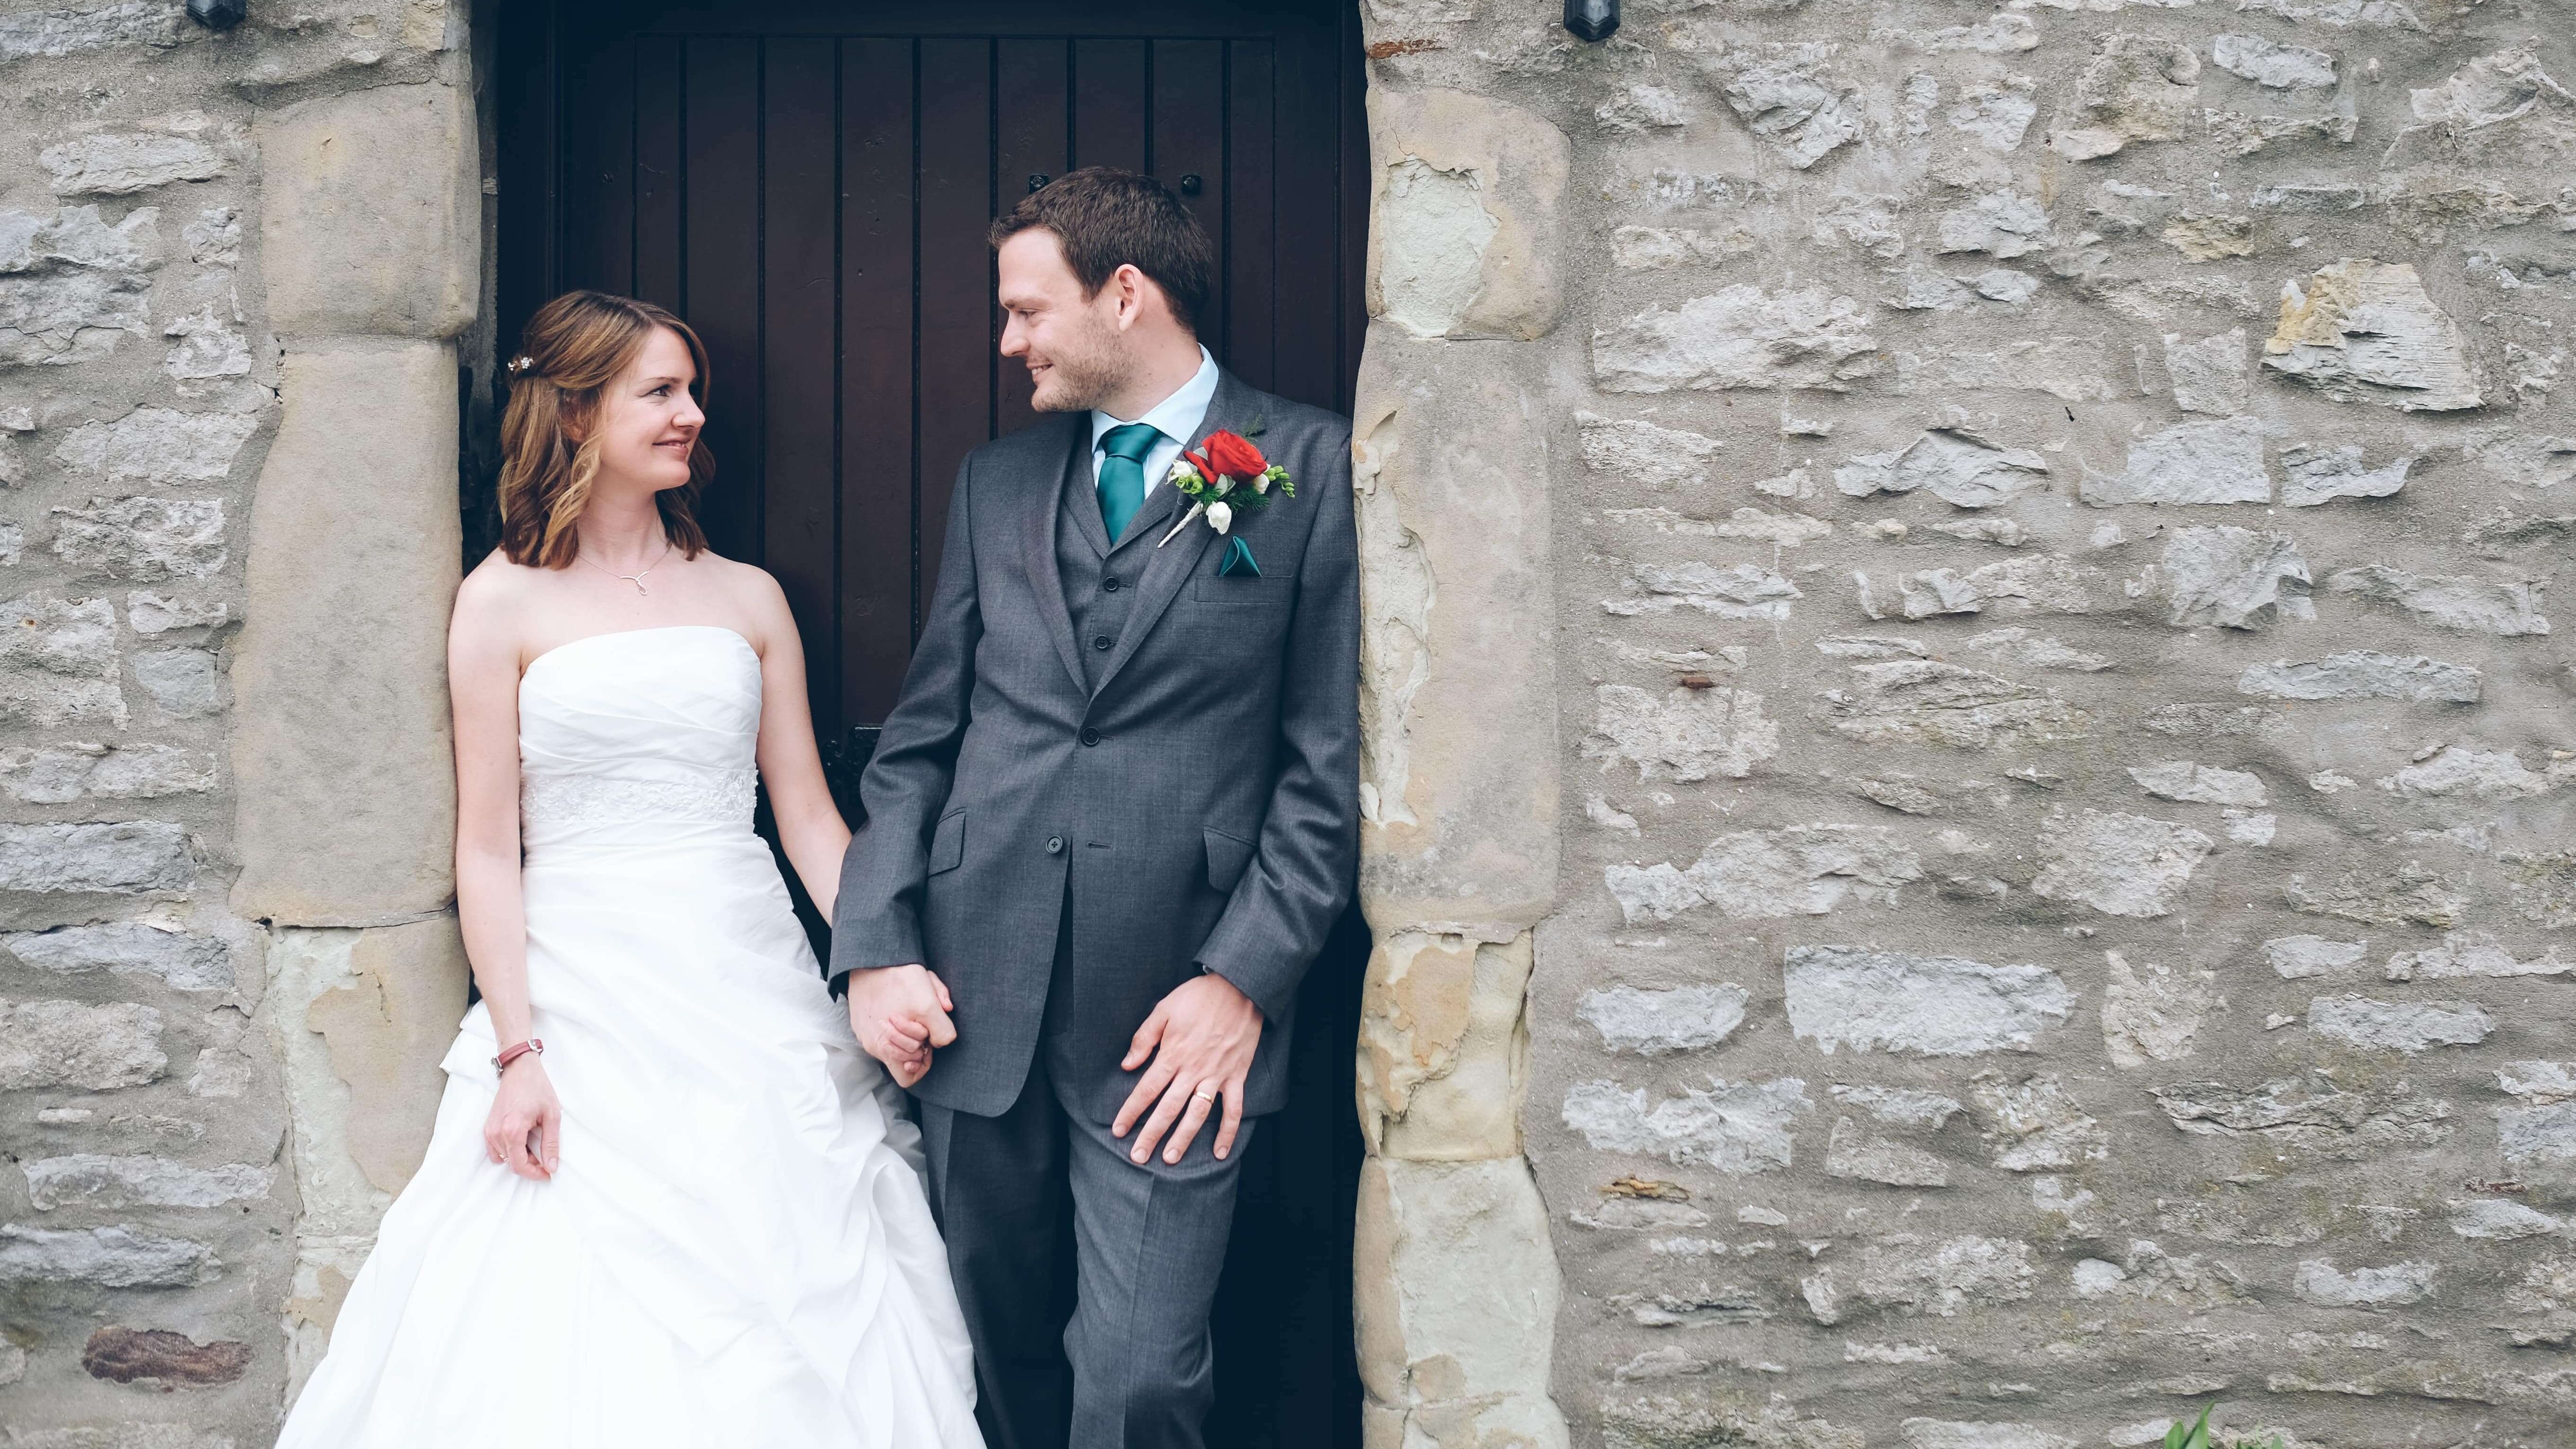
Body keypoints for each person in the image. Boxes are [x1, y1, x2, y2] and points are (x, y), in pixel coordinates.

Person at [277, 290, 984, 1448]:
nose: (691, 416)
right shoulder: (498, 599)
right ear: (572, 412)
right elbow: (488, 851)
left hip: (738, 969)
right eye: (659, 392)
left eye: (689, 390)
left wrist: (882, 958)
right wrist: (516, 1050)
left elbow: (807, 817)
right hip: (580, 987)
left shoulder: (747, 596)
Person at [834, 168, 1360, 1449]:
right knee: (989, 1356)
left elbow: (1325, 763)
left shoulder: (1308, 465)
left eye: (1026, 310)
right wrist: (876, 947)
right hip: (973, 1000)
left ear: (1123, 295)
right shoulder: (995, 486)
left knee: (1136, 1383)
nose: (1007, 340)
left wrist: (1242, 982)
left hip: (1172, 1025)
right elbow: (919, 744)